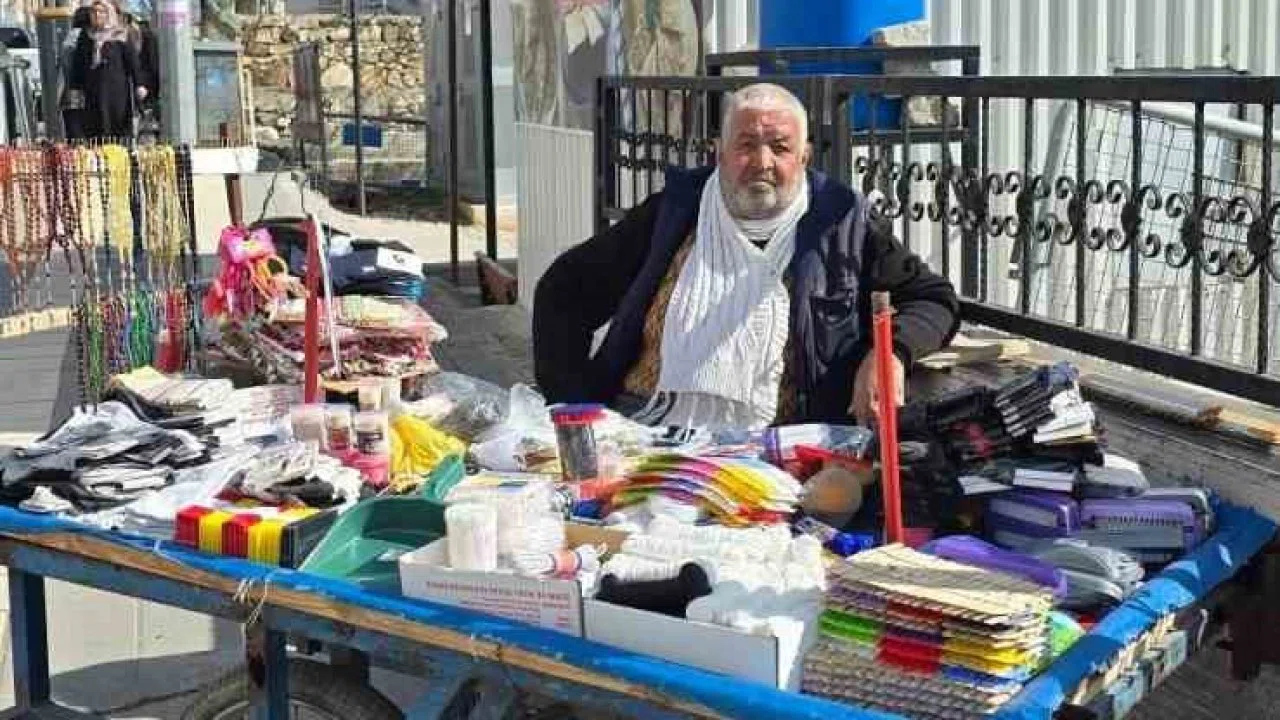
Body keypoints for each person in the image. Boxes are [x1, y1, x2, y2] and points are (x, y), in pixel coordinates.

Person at [533, 83, 960, 431]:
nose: (762, 162)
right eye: (746, 144)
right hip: (644, 425)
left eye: (780, 147)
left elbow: (933, 299)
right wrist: (573, 410)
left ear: (805, 156)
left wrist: (889, 355)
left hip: (777, 443)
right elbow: (565, 289)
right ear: (718, 151)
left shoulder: (843, 221)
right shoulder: (674, 212)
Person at [66, 0, 147, 141]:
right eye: (94, 12)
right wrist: (75, 89)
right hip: (92, 90)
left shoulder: (121, 35)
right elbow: (78, 65)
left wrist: (139, 84)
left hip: (116, 91)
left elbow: (132, 62)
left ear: (109, 14)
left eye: (101, 12)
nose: (97, 15)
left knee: (117, 126)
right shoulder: (86, 36)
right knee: (94, 127)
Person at [58, 6, 93, 141]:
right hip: (83, 94)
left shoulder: (68, 38)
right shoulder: (85, 38)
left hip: (68, 94)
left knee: (74, 138)